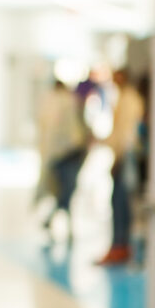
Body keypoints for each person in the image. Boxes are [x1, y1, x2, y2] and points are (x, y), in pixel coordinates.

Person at [96, 69, 145, 265]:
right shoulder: (124, 98)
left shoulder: (130, 100)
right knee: (118, 202)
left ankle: (120, 246)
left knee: (120, 202)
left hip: (126, 157)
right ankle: (120, 245)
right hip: (123, 156)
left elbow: (126, 134)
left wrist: (119, 159)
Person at [35, 79, 88, 237]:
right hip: (67, 155)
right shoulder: (66, 102)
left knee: (65, 191)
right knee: (65, 191)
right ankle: (57, 222)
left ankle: (54, 221)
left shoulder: (57, 103)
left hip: (67, 155)